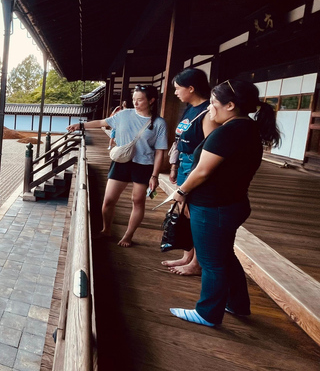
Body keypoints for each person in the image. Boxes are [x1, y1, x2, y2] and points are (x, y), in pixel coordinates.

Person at [169, 79, 281, 327]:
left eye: (213, 103)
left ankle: (208, 313)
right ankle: (237, 304)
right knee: (224, 256)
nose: (210, 108)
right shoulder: (246, 128)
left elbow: (202, 171)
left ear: (230, 105)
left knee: (212, 263)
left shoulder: (230, 131)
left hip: (214, 207)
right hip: (230, 203)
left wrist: (181, 191)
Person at [67, 85, 167, 247]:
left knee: (138, 200)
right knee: (108, 200)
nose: (136, 103)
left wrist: (155, 176)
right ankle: (106, 230)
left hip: (144, 165)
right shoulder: (124, 115)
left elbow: (160, 151)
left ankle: (128, 236)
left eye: (140, 100)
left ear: (151, 100)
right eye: (134, 99)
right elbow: (102, 122)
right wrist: (80, 125)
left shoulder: (159, 123)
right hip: (121, 162)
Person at [162, 68, 219, 276]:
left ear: (191, 88)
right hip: (184, 163)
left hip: (197, 165)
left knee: (193, 212)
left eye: (178, 88)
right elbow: (179, 141)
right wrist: (175, 165)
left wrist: (193, 174)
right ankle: (188, 256)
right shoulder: (189, 108)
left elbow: (211, 148)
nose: (176, 92)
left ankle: (197, 262)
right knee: (184, 212)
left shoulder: (207, 113)